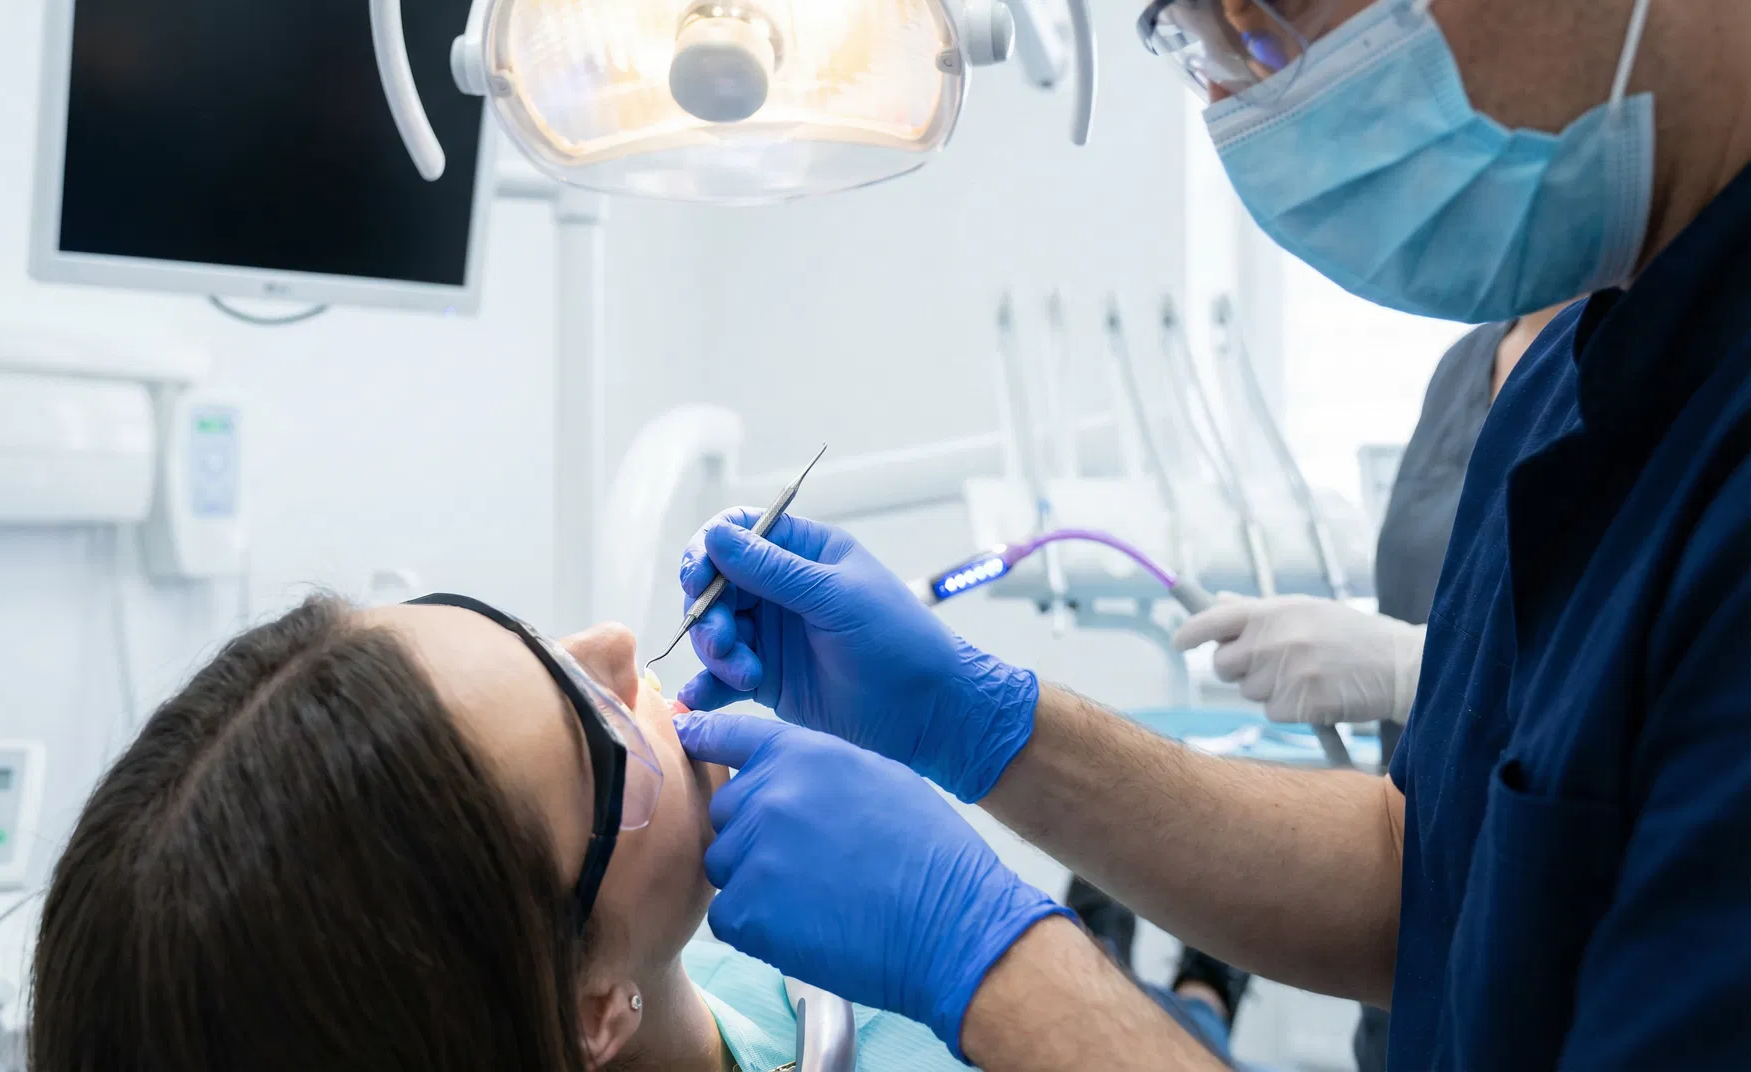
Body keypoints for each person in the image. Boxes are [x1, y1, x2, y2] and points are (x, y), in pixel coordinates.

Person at [668, 0, 1751, 1067]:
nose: (1244, 73)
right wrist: (976, 722)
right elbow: (1423, 875)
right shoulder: (1567, 382)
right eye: (1194, 32)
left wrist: (977, 952)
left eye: (1275, 5)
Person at [27, 593, 979, 1071]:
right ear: (583, 1017)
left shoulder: (785, 982)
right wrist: (987, 953)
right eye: (596, 734)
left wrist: (989, 731)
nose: (616, 644)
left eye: (533, 643)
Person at [1171, 297, 1576, 1071]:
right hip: (1411, 923)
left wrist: (1411, 667)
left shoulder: (1662, 372)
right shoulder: (1467, 368)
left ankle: (1200, 991)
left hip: (1545, 937)